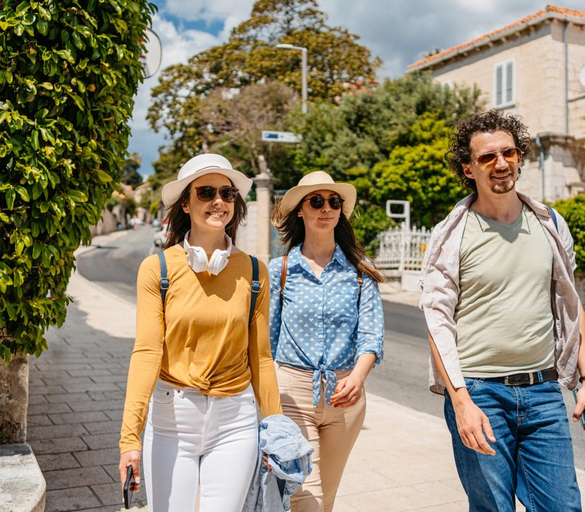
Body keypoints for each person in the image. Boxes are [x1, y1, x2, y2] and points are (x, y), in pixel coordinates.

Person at [420, 109, 585, 511]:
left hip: (544, 393)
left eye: (509, 152)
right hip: (480, 393)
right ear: (468, 168)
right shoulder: (452, 234)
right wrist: (461, 402)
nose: (501, 163)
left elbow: (571, 305)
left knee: (562, 507)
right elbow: (437, 323)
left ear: (519, 156)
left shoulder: (549, 222)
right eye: (487, 157)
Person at [118, 153, 282, 512]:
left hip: (236, 419)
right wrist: (130, 439)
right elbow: (146, 352)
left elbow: (262, 357)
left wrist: (275, 428)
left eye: (227, 193)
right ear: (186, 203)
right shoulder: (157, 269)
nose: (218, 201)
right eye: (206, 192)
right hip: (172, 418)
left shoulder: (255, 272)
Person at [269, 171, 385, 512]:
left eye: (334, 202)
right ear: (300, 211)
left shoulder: (361, 270)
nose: (326, 208)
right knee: (306, 494)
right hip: (293, 392)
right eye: (316, 201)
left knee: (327, 497)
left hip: (346, 396)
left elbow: (371, 334)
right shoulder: (280, 270)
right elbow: (267, 340)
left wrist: (358, 377)